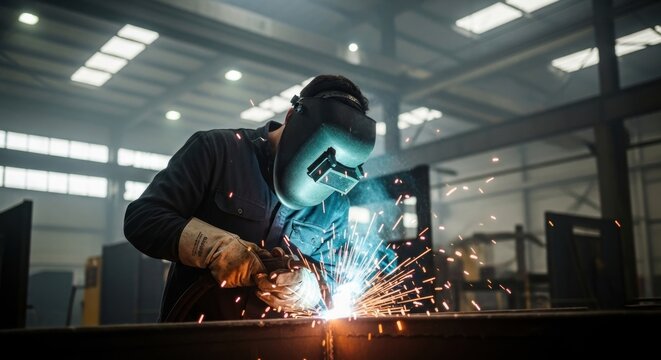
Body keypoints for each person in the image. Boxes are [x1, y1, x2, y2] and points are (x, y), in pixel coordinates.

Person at [124, 74, 376, 321]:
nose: (320, 176)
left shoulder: (332, 203)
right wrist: (213, 248)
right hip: (195, 342)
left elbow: (335, 280)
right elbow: (143, 219)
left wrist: (308, 288)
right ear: (291, 117)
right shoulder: (218, 150)